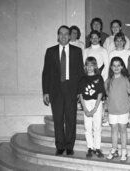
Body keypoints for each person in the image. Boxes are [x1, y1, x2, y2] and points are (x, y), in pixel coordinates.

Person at [42, 25, 84, 156]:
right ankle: (60, 145)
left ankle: (70, 146)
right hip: (56, 90)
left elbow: (80, 72)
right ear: (58, 36)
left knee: (71, 119)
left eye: (67, 33)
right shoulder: (50, 51)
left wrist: (79, 91)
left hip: (71, 90)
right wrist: (46, 91)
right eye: (61, 33)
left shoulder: (77, 51)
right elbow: (46, 73)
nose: (64, 36)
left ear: (70, 36)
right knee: (58, 119)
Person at [105, 57, 130, 162]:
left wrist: (128, 103)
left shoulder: (126, 79)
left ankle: (124, 150)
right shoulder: (108, 81)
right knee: (113, 130)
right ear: (111, 67)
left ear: (122, 66)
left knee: (123, 130)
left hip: (123, 110)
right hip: (112, 110)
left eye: (118, 65)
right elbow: (108, 96)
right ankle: (114, 149)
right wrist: (106, 109)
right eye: (114, 65)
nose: (116, 67)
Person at [79, 57, 105, 158]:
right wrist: (85, 108)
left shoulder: (99, 77)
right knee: (87, 126)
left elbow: (100, 93)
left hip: (96, 103)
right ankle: (90, 147)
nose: (90, 67)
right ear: (85, 66)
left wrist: (95, 108)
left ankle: (97, 148)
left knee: (97, 126)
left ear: (95, 66)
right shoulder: (82, 78)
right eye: (87, 65)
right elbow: (81, 94)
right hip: (86, 102)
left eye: (92, 65)